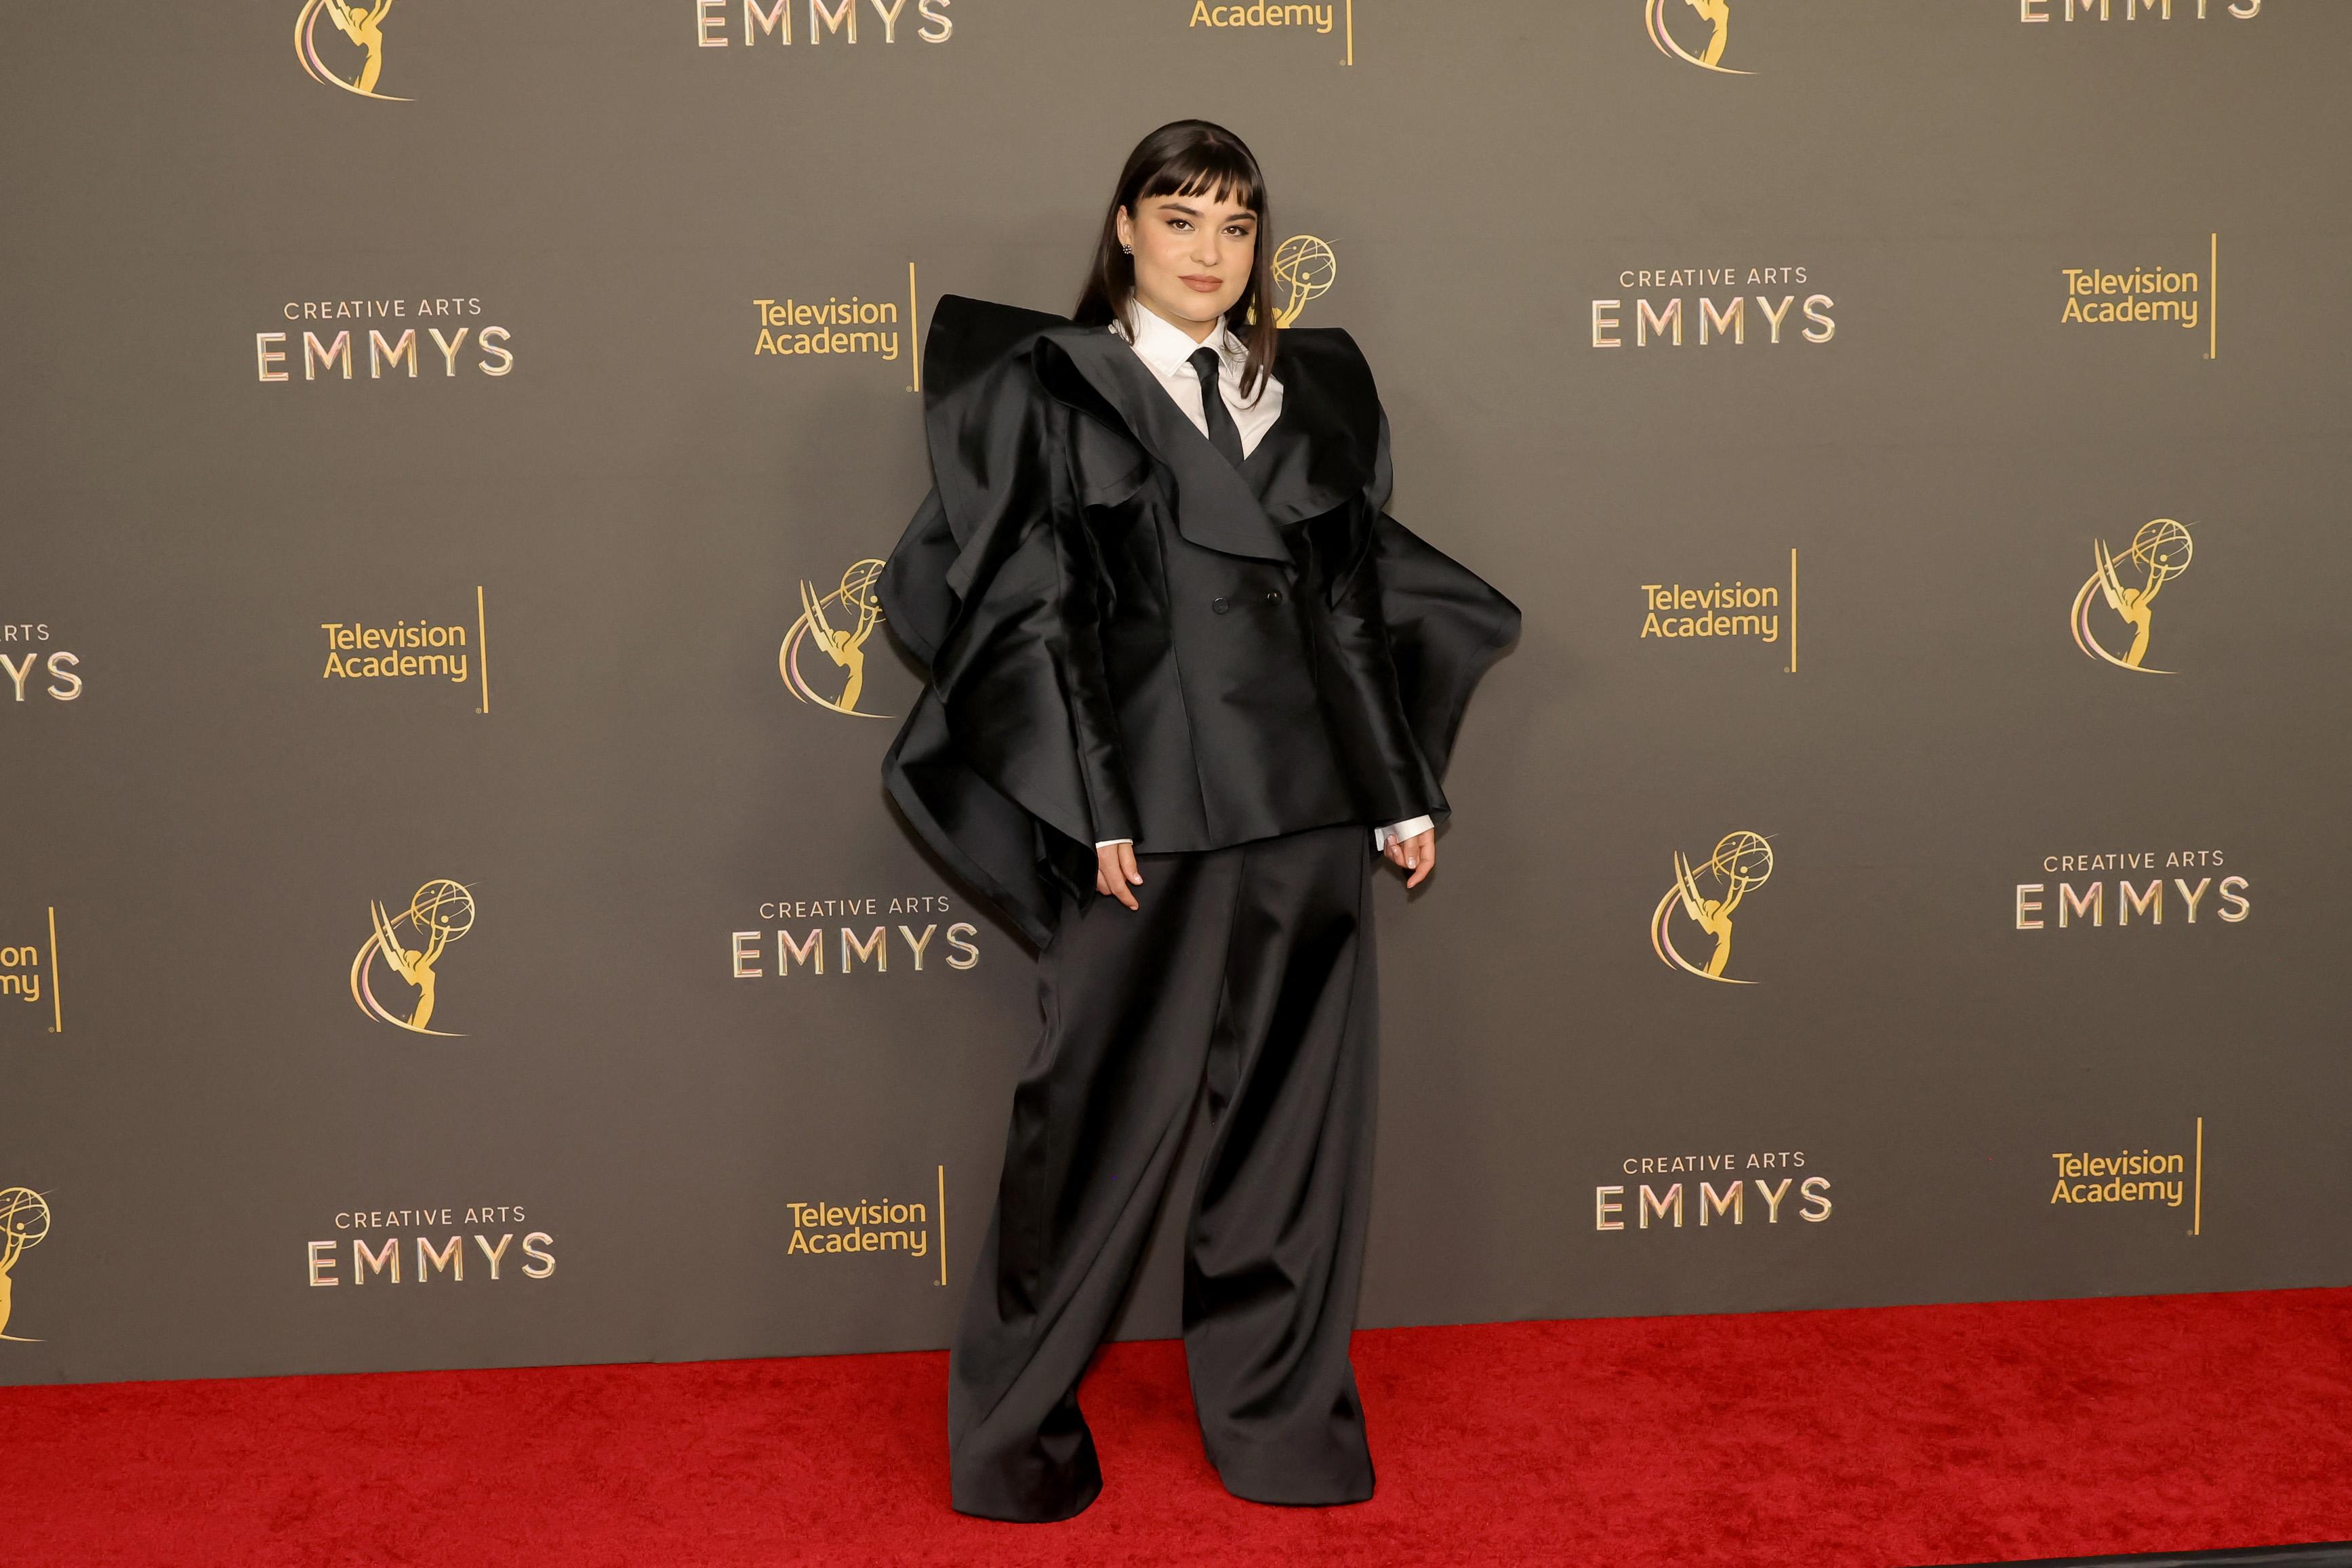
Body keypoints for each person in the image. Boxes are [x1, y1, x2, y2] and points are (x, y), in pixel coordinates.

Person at [876, 119, 1520, 1522]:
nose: (1210, 254)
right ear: (1123, 231)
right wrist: (1091, 805)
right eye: (1181, 221)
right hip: (1146, 813)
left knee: (1294, 1124)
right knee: (1095, 1122)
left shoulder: (1308, 386)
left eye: (1235, 226)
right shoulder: (1059, 385)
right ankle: (1010, 1433)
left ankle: (1279, 1414)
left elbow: (1348, 604)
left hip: (1306, 809)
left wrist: (1400, 784)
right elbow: (1037, 606)